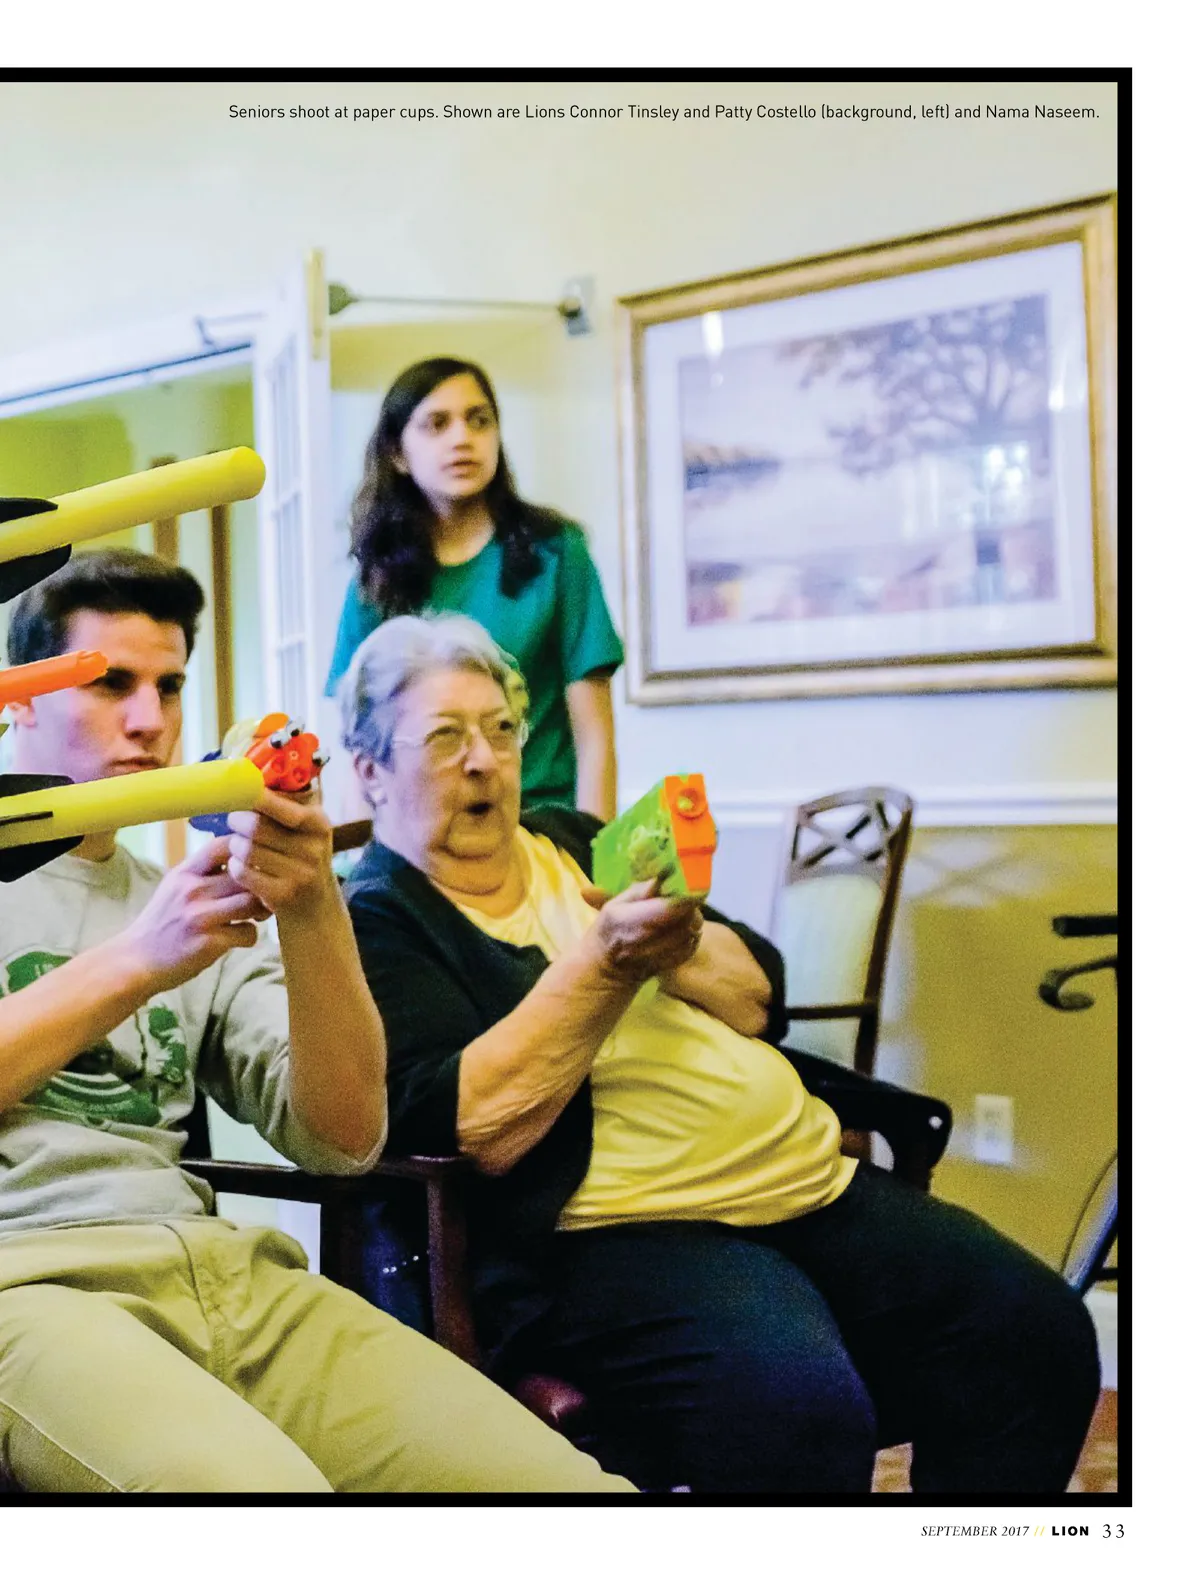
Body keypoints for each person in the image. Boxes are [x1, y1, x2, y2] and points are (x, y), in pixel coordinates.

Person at [339, 610, 1102, 1497]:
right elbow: (473, 1123)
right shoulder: (382, 917)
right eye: (445, 736)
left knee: (1037, 1333)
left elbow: (757, 994)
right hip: (620, 1232)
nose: (484, 759)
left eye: (501, 729)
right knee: (797, 1412)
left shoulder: (571, 838)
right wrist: (606, 962)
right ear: (371, 771)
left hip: (800, 1178)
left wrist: (680, 943)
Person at [0, 548, 634, 1496]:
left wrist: (310, 907)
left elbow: (343, 1137)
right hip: (29, 1284)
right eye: (110, 684)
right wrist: (138, 958)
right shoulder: (163, 925)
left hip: (229, 1277)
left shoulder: (184, 901)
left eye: (169, 685)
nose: (150, 720)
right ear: (17, 698)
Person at [324, 356, 623, 820]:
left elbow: (595, 737)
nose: (462, 438)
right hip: (417, 836)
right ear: (397, 454)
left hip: (540, 828)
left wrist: (590, 851)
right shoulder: (374, 580)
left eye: (479, 420)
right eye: (436, 424)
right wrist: (356, 857)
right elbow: (359, 751)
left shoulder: (558, 552)